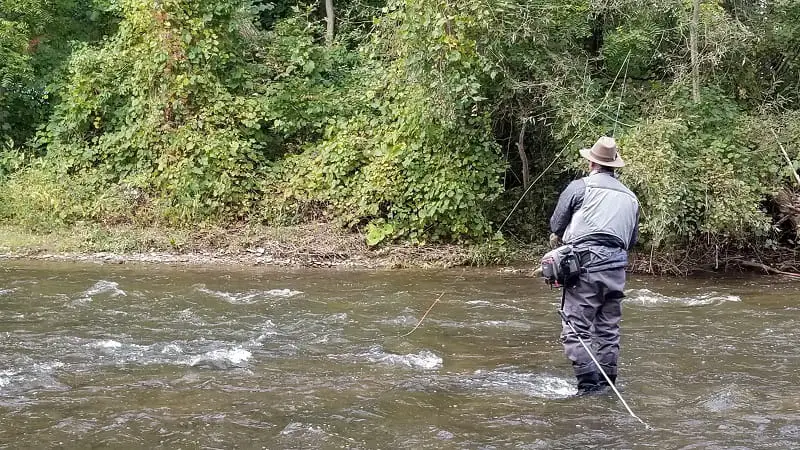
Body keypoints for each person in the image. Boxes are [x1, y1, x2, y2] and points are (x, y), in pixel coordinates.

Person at [548, 136, 640, 396]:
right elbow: (631, 240)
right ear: (615, 166)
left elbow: (556, 224)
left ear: (591, 162)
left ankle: (589, 389)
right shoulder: (632, 198)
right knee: (608, 331)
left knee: (575, 330)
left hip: (585, 268)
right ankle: (607, 387)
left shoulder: (579, 188)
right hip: (617, 269)